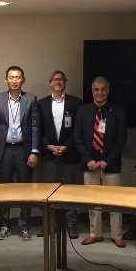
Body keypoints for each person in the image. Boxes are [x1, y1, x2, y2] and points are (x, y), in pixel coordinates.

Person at [74, 77, 127, 248]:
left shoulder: (117, 111)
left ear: (108, 91)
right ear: (92, 91)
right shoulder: (83, 111)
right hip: (89, 165)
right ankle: (95, 234)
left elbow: (121, 139)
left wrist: (107, 160)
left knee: (115, 201)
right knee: (92, 201)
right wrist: (88, 160)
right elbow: (77, 138)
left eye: (103, 89)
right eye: (96, 89)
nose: (100, 92)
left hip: (111, 165)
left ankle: (116, 235)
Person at [0, 66, 40, 241]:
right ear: (6, 80)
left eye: (18, 77)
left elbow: (35, 126)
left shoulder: (31, 99)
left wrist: (34, 151)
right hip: (4, 151)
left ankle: (24, 225)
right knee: (4, 189)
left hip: (23, 150)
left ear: (23, 80)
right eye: (11, 77)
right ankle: (4, 224)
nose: (14, 80)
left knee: (25, 189)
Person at [38, 70, 82, 239]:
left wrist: (66, 146)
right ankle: (50, 224)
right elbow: (38, 130)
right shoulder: (41, 104)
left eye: (60, 79)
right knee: (49, 192)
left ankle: (71, 224)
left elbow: (78, 129)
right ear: (50, 83)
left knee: (70, 192)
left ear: (65, 82)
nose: (57, 82)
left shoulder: (75, 103)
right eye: (54, 79)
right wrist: (48, 146)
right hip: (49, 155)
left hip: (69, 154)